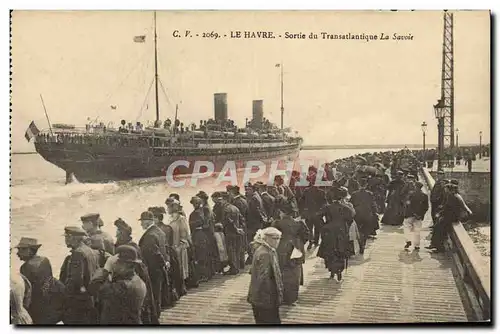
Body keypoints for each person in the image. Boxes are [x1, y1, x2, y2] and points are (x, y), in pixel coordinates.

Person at [113, 218, 159, 324]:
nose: (116, 236)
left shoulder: (128, 248)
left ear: (123, 234)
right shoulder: (133, 246)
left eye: (118, 233)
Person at [89, 245, 147, 324]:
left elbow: (93, 288)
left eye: (116, 263)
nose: (114, 265)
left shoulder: (123, 285)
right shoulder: (137, 280)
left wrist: (106, 268)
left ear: (126, 265)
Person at [15, 237, 64, 324]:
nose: (18, 253)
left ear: (30, 250)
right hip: (50, 303)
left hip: (36, 307)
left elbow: (27, 292)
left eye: (21, 250)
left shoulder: (26, 267)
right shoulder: (44, 260)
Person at [59, 226, 99, 324]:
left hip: (78, 302)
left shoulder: (78, 253)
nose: (65, 240)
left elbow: (75, 280)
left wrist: (64, 297)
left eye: (66, 237)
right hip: (89, 299)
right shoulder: (90, 250)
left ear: (72, 237)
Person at [272, 196, 308, 306]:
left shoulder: (277, 223)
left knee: (281, 272)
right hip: (296, 249)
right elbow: (306, 236)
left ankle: (281, 297)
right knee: (295, 273)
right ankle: (292, 298)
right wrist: (298, 243)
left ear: (282, 212)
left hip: (282, 249)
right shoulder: (299, 223)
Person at [247, 227, 284, 324]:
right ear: (266, 238)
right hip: (265, 299)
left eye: (279, 238)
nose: (277, 241)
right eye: (274, 238)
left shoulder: (268, 250)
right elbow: (263, 279)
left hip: (264, 298)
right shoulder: (265, 254)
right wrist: (272, 298)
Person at [137, 211, 170, 318]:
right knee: (157, 295)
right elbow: (165, 249)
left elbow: (155, 254)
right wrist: (166, 262)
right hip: (160, 269)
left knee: (153, 296)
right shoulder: (159, 232)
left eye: (142, 221)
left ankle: (154, 318)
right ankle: (156, 315)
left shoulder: (149, 235)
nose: (141, 224)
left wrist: (162, 263)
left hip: (152, 270)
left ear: (148, 221)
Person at [317, 189, 352, 282]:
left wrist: (324, 225)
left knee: (330, 251)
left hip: (329, 231)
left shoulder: (327, 207)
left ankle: (332, 270)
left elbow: (318, 216)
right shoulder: (345, 208)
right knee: (340, 251)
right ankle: (339, 270)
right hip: (341, 232)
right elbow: (350, 218)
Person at [219, 192, 245, 275]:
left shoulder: (226, 209)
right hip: (237, 233)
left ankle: (234, 269)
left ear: (225, 199)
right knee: (236, 251)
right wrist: (240, 228)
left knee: (231, 251)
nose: (221, 202)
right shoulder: (235, 208)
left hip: (230, 232)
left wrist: (236, 229)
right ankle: (236, 267)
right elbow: (242, 219)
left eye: (221, 199)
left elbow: (229, 221)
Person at [350, 179, 379, 253]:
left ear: (359, 185)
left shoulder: (354, 194)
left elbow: (351, 205)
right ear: (366, 185)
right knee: (366, 230)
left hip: (357, 214)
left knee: (359, 230)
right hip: (367, 214)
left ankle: (360, 244)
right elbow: (373, 204)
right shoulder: (370, 194)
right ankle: (363, 243)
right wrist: (375, 212)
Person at [189, 196, 211, 282]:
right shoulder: (204, 211)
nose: (194, 205)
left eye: (195, 203)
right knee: (203, 255)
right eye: (194, 204)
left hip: (198, 235)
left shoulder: (196, 213)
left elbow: (195, 224)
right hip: (202, 235)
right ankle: (206, 274)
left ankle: (203, 275)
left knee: (201, 255)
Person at [245, 183, 267, 265]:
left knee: (252, 241)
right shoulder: (257, 196)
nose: (247, 191)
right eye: (246, 189)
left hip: (253, 224)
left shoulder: (254, 198)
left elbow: (256, 211)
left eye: (249, 189)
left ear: (253, 190)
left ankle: (253, 258)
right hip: (257, 223)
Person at [403, 181, 429, 251]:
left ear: (415, 186)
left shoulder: (410, 194)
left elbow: (407, 204)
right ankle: (417, 245)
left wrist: (413, 213)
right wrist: (420, 215)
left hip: (409, 214)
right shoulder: (425, 196)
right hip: (419, 216)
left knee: (406, 228)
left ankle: (408, 241)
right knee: (417, 230)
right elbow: (426, 207)